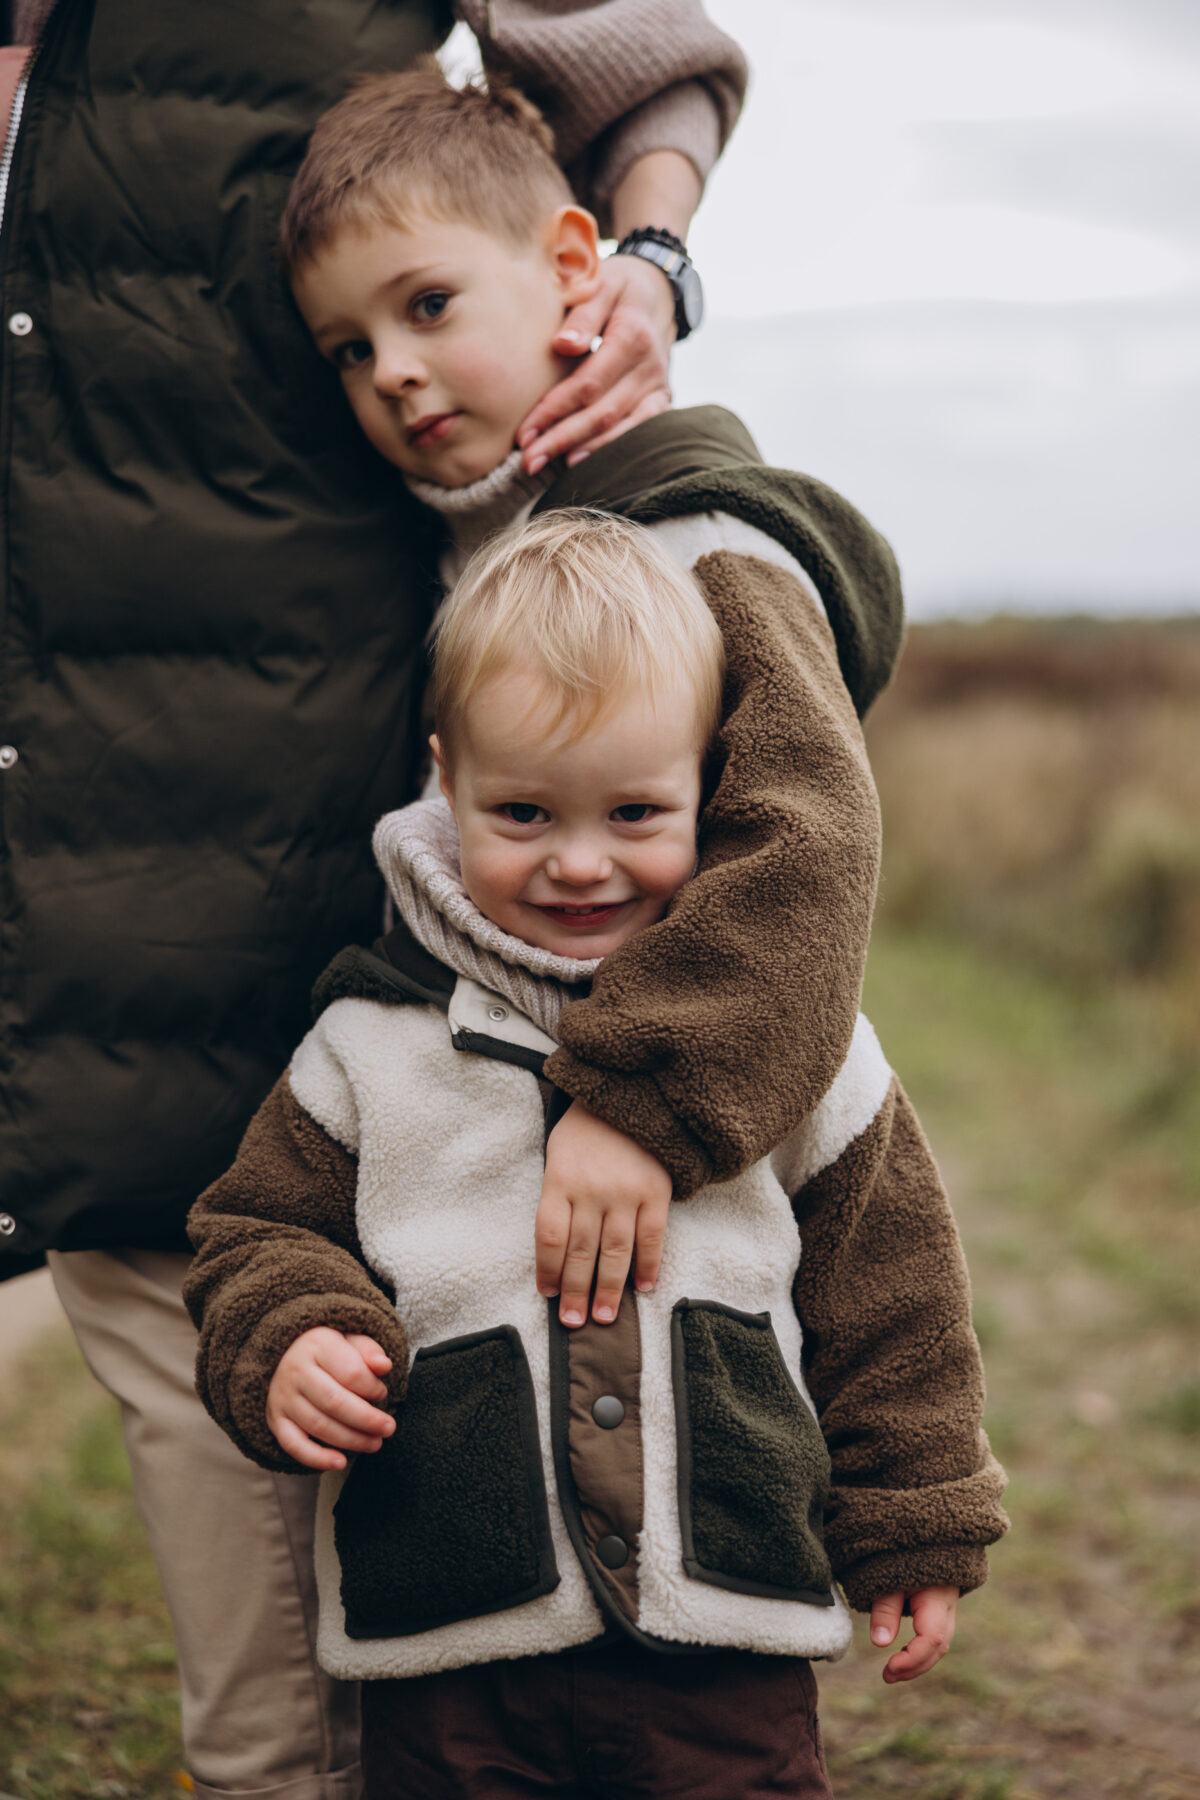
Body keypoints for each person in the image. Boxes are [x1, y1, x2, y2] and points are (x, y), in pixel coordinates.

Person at [0, 4, 750, 1796]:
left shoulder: (621, 531)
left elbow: (639, 55)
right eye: (361, 341)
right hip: (78, 883)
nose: (395, 367)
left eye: (418, 321)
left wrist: (648, 265)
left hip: (303, 855)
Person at [186, 510, 1008, 1800]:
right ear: (444, 780)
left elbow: (891, 1293)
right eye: (522, 811)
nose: (580, 863)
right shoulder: (367, 1045)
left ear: (709, 791)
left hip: (725, 1639)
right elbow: (255, 1232)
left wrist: (915, 1512)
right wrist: (292, 1333)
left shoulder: (794, 1049)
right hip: (454, 1645)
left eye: (636, 810)